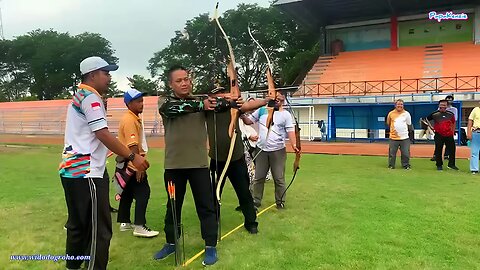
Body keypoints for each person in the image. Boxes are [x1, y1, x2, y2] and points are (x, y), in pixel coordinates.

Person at [59, 56, 149, 270]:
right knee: (99, 230)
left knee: (77, 226)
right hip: (87, 172)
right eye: (105, 73)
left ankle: (73, 267)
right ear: (92, 75)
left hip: (73, 171)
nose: (109, 77)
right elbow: (102, 134)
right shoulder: (90, 98)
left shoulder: (80, 95)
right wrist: (133, 157)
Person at [153, 65, 218, 266]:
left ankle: (210, 246)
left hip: (198, 164)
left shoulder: (201, 101)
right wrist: (202, 105)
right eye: (179, 80)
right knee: (173, 207)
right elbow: (174, 109)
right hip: (174, 165)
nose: (184, 83)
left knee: (206, 206)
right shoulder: (165, 101)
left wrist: (238, 102)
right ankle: (171, 243)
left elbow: (227, 105)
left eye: (186, 79)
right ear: (171, 84)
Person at [205, 90, 271, 234]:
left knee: (244, 193)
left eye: (223, 93)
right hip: (217, 159)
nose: (221, 97)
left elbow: (249, 105)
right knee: (214, 193)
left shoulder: (234, 107)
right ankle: (212, 221)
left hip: (236, 158)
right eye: (216, 95)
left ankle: (251, 222)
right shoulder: (208, 108)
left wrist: (267, 99)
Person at [243, 90, 300, 210]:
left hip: (277, 151)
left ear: (283, 98)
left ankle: (280, 201)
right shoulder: (262, 110)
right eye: (274, 96)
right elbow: (248, 121)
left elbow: (290, 131)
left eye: (279, 96)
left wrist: (294, 145)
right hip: (262, 150)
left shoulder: (286, 115)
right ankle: (256, 201)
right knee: (259, 177)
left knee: (279, 178)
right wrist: (240, 113)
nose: (276, 98)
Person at [115, 88, 159, 238]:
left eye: (142, 100)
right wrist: (138, 166)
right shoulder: (130, 120)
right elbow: (132, 145)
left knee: (127, 192)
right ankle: (139, 225)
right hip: (131, 162)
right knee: (143, 192)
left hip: (126, 162)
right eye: (138, 101)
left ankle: (124, 221)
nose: (142, 104)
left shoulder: (132, 117)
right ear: (129, 103)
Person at [427, 100, 458, 171]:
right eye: (441, 105)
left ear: (447, 106)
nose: (443, 106)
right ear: (439, 105)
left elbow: (453, 123)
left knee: (452, 149)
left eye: (444, 105)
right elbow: (426, 119)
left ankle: (451, 165)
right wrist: (431, 127)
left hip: (449, 135)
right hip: (438, 134)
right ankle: (439, 165)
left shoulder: (451, 114)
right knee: (438, 149)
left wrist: (452, 132)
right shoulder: (434, 114)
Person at [386, 99, 412, 170]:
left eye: (401, 104)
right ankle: (391, 165)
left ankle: (406, 165)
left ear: (403, 105)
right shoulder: (390, 113)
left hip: (405, 138)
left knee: (406, 153)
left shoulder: (407, 114)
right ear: (395, 105)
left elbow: (409, 124)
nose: (400, 105)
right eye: (398, 104)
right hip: (393, 138)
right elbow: (388, 123)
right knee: (392, 153)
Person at [467, 102, 480, 174]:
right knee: (475, 151)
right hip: (476, 132)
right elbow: (470, 121)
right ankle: (474, 169)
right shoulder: (475, 109)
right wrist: (468, 132)